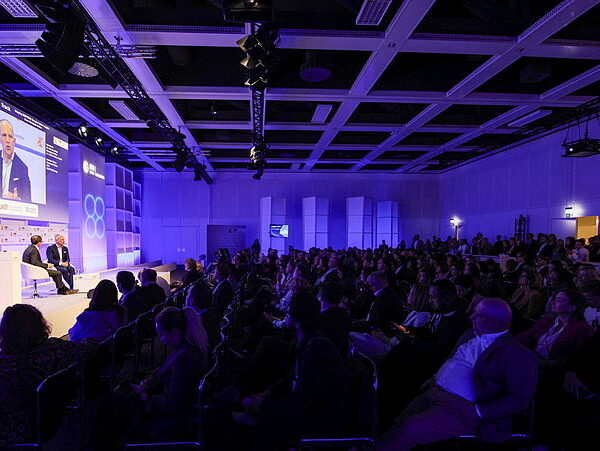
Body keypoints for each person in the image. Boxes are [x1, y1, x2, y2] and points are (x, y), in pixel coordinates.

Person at [377, 298, 538, 450]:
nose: (471, 317)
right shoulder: (469, 334)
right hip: (435, 391)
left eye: (478, 314)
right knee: (399, 421)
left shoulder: (517, 354)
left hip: (461, 408)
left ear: (496, 322)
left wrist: (478, 411)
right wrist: (435, 378)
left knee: (410, 429)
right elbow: (453, 361)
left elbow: (519, 399)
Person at [236, 292, 351, 450]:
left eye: (288, 312)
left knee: (247, 425)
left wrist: (262, 405)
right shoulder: (312, 341)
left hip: (322, 420)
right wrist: (268, 393)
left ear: (296, 321)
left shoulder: (315, 349)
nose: (286, 315)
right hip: (316, 408)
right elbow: (296, 377)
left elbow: (300, 403)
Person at [91, 307, 209, 447]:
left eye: (162, 334)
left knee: (110, 407)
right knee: (112, 402)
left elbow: (173, 404)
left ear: (174, 331)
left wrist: (146, 398)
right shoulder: (187, 348)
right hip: (178, 411)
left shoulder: (183, 358)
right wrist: (152, 383)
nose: (161, 340)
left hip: (171, 421)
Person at [0, 304, 95, 444]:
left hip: (15, 429)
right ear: (40, 326)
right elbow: (89, 349)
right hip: (50, 422)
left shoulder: (6, 367)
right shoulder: (57, 350)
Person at [0, 119, 31, 202]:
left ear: (14, 141)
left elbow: (28, 199)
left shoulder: (22, 168)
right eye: (4, 135)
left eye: (10, 136)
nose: (7, 140)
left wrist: (17, 200)